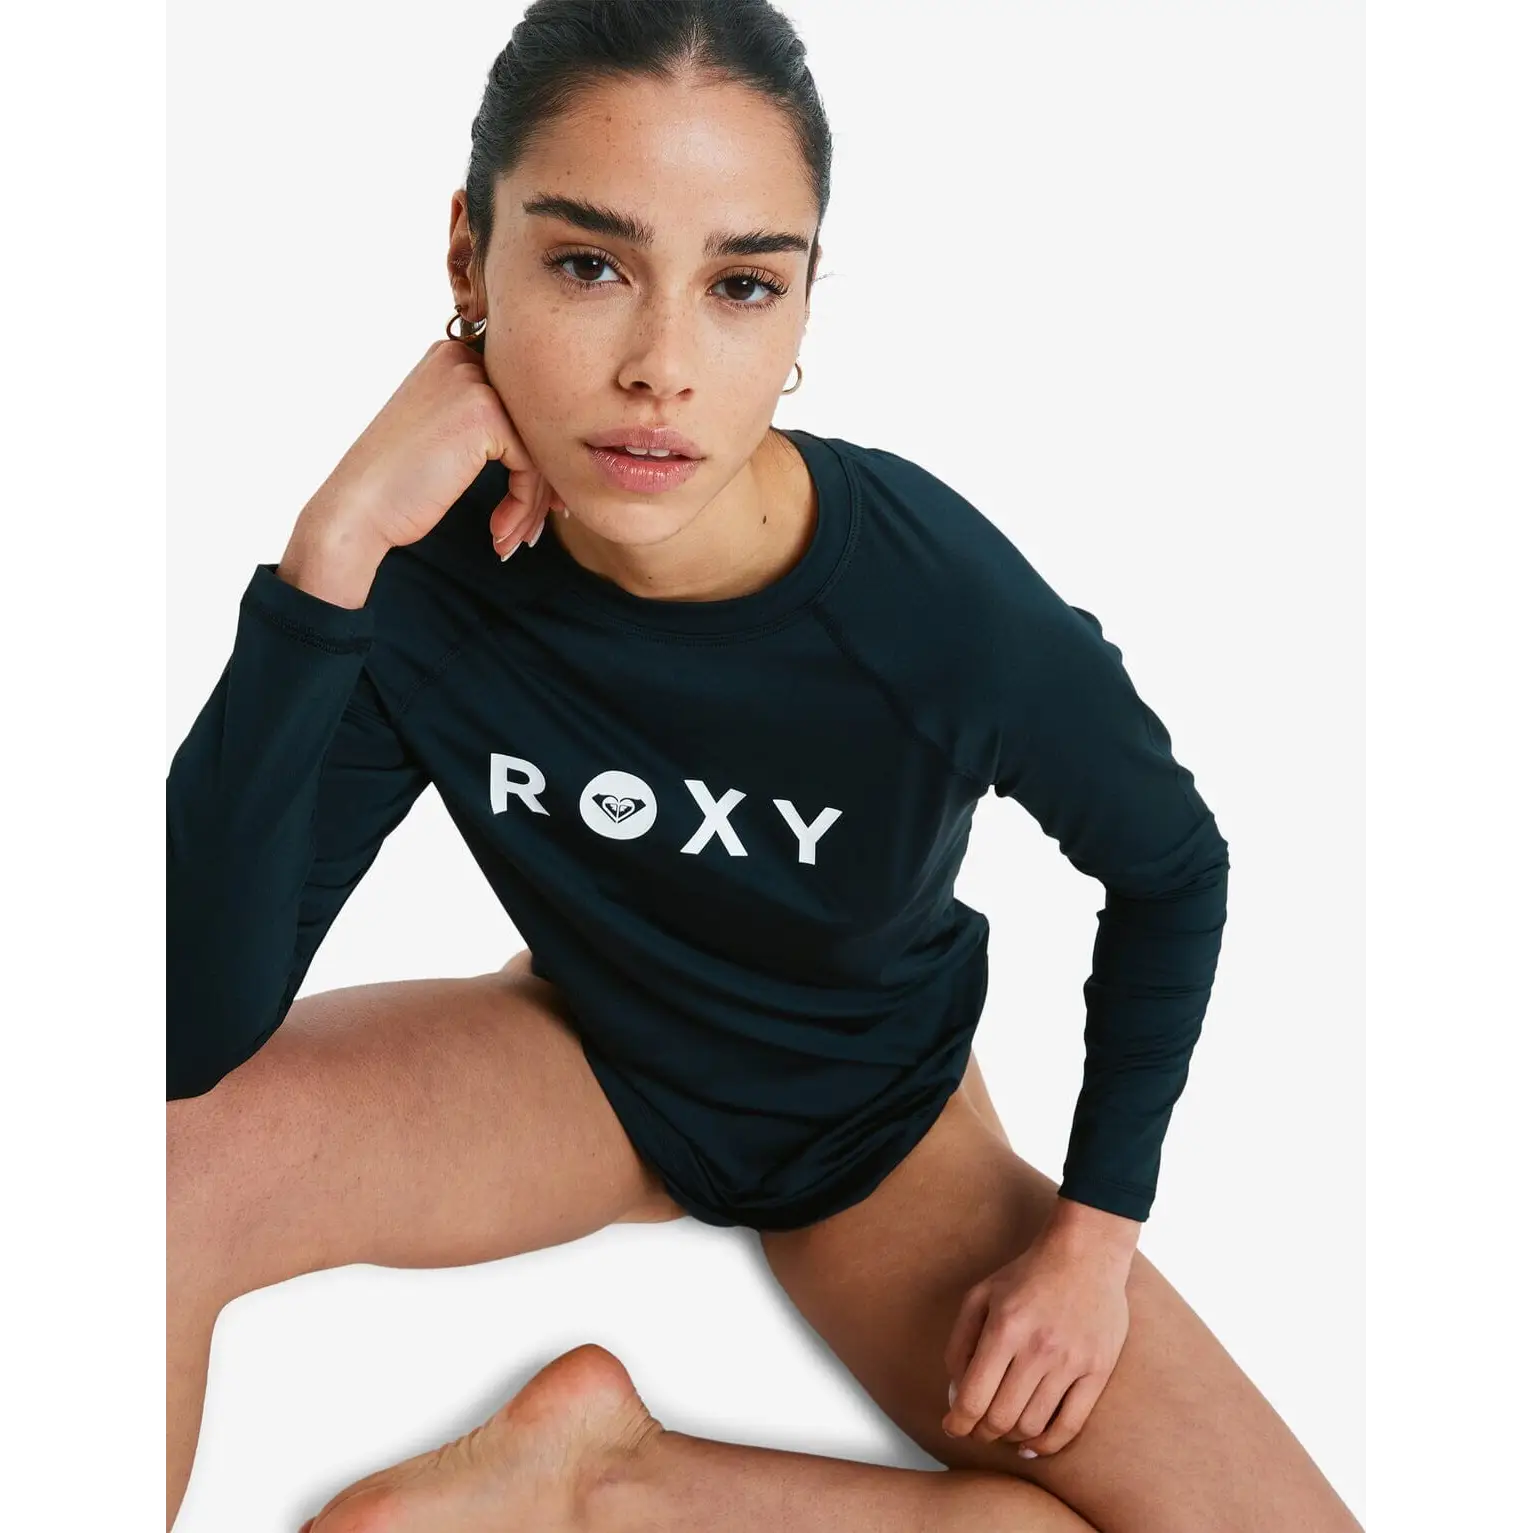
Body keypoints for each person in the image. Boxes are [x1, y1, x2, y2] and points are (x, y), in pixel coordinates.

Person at [161, 2, 1363, 1530]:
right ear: (470, 259)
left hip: (868, 1124)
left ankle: (609, 1483)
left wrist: (1093, 1237)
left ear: (799, 313)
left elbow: (1172, 869)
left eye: (740, 284)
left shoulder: (935, 607)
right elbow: (183, 1028)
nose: (661, 367)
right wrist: (329, 556)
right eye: (589, 265)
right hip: (590, 1061)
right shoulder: (419, 575)